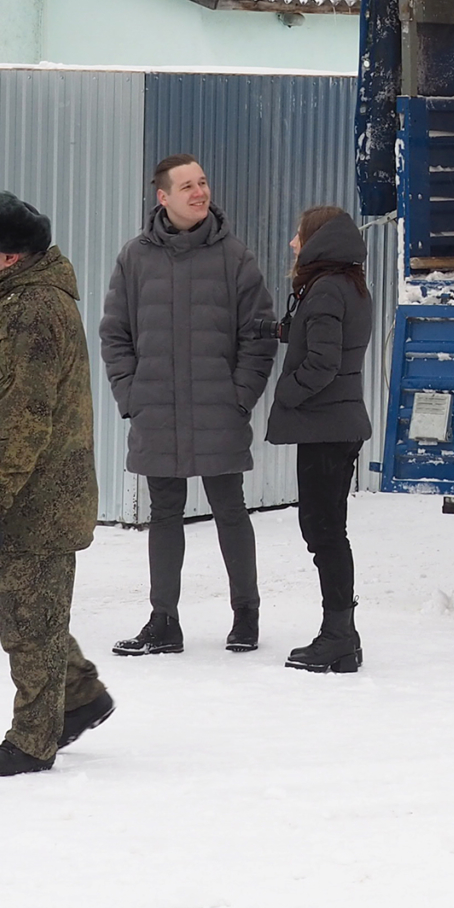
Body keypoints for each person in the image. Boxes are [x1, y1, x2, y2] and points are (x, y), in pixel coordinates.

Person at [0, 192, 116, 776]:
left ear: (10, 258)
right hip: (22, 497)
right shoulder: (13, 303)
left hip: (31, 502)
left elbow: (23, 413)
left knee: (29, 627)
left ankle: (34, 738)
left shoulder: (31, 312)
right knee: (27, 615)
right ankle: (81, 696)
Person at [100, 155, 277, 657]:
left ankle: (246, 615)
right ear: (164, 197)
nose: (200, 192)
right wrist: (131, 394)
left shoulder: (234, 258)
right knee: (164, 513)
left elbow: (259, 337)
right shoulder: (134, 258)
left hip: (218, 409)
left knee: (229, 510)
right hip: (156, 409)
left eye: (203, 183)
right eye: (187, 186)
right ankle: (164, 621)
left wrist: (239, 396)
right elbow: (115, 334)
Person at [265, 205, 374, 674]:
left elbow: (323, 363)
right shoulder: (345, 283)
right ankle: (341, 636)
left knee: (324, 532)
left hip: (327, 426)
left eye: (298, 234)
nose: (293, 243)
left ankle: (339, 636)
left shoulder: (327, 287)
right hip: (335, 425)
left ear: (319, 240)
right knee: (326, 530)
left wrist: (285, 393)